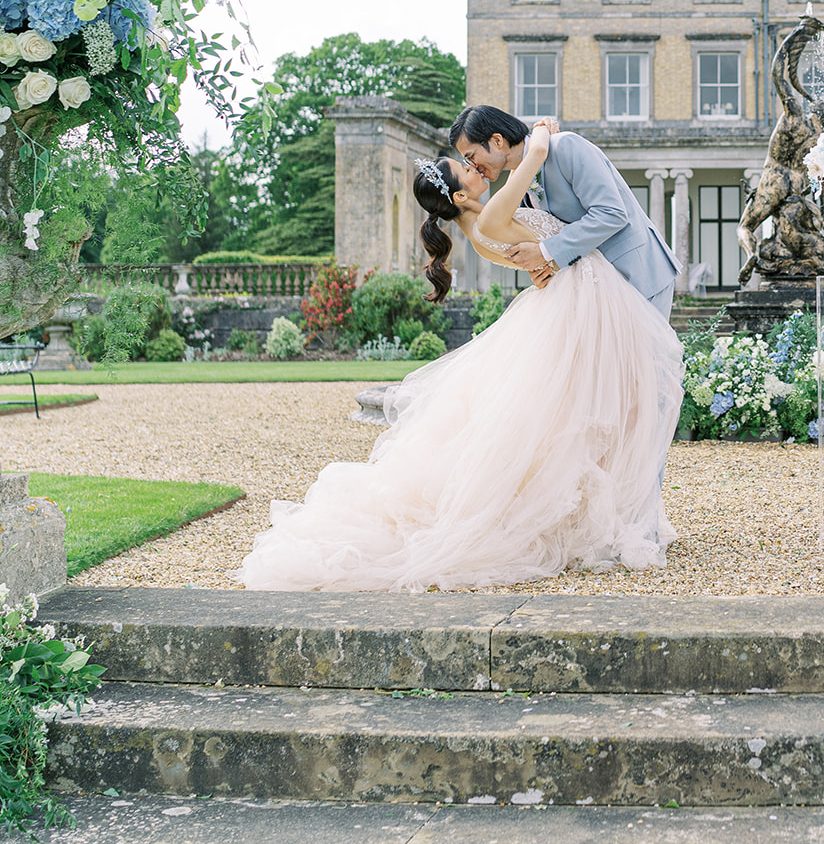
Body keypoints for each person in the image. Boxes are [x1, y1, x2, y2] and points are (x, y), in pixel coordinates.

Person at [236, 123, 682, 592]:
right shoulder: (489, 219)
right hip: (584, 304)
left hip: (590, 300)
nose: (474, 168)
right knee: (607, 414)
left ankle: (622, 517)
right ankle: (622, 522)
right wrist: (537, 149)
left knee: (600, 417)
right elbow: (531, 210)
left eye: (471, 158)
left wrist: (544, 257)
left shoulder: (489, 217)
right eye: (465, 167)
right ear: (460, 196)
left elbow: (546, 240)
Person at [450, 105, 679, 317]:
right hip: (597, 290)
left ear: (497, 140)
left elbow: (611, 213)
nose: (472, 166)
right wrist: (543, 270)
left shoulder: (565, 146)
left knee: (647, 361)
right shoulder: (518, 185)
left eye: (471, 156)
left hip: (637, 274)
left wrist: (545, 252)